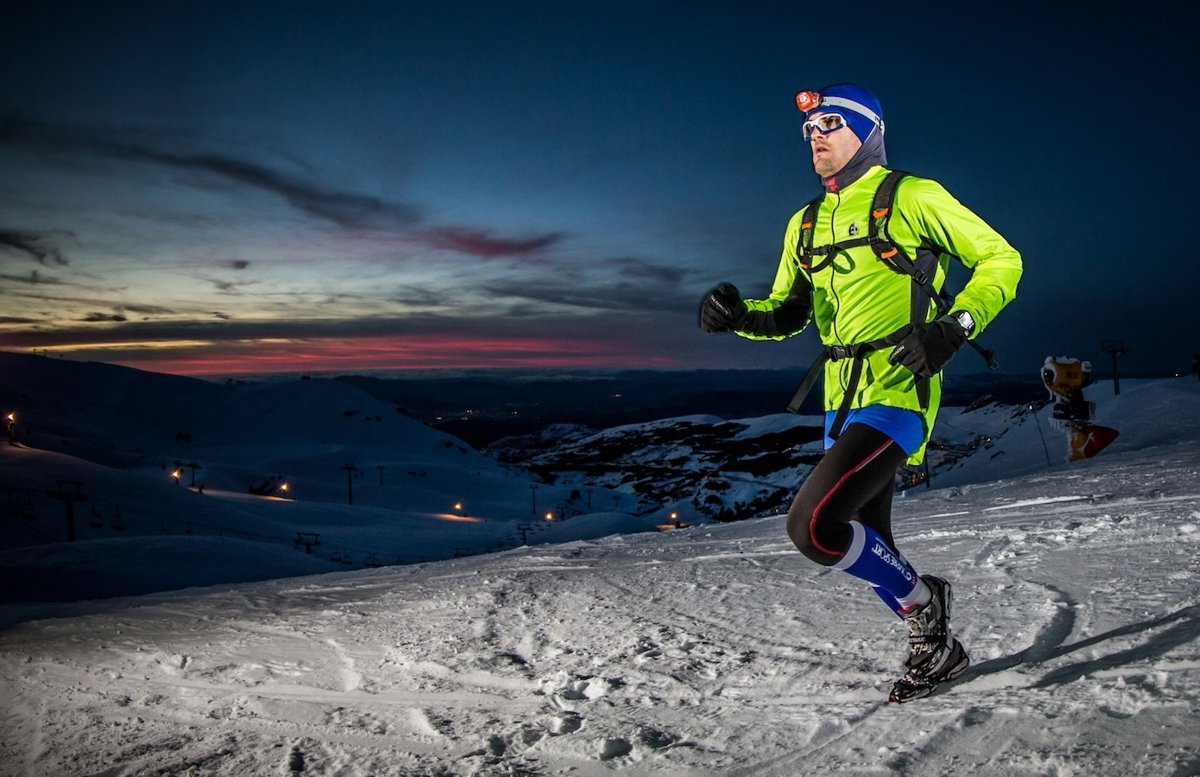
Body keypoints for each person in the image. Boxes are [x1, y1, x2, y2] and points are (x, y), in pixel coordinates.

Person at [699, 84, 1022, 702]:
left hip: (900, 387)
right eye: (808, 129)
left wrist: (954, 327)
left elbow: (1002, 261)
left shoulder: (913, 195)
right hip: (839, 399)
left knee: (813, 527)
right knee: (873, 545)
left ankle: (927, 605)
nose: (814, 135)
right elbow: (788, 313)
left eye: (829, 122)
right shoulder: (804, 222)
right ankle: (939, 648)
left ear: (867, 131)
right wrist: (737, 315)